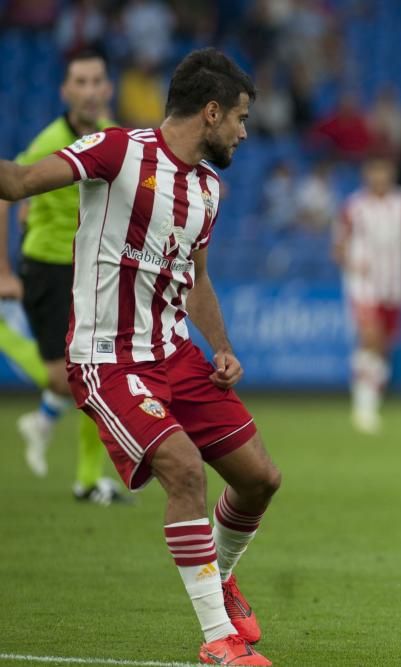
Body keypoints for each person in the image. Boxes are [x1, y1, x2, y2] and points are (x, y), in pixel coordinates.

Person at [0, 48, 277, 665]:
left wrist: (223, 347)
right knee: (184, 470)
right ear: (210, 112)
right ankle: (217, 642)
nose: (243, 130)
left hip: (176, 354)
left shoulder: (208, 188)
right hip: (107, 358)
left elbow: (196, 280)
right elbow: (17, 184)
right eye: (239, 117)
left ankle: (222, 579)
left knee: (261, 479)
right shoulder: (117, 151)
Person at [0, 49, 130, 504]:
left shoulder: (113, 136)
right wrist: (3, 270)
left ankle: (88, 479)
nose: (91, 90)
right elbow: (6, 194)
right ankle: (6, 340)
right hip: (48, 268)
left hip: (90, 269)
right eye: (81, 82)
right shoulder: (48, 141)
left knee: (98, 370)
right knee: (67, 380)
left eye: (98, 81)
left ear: (108, 88)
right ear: (66, 91)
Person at [333, 156, 401, 435]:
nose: (379, 175)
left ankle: (371, 397)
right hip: (363, 284)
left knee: (383, 345)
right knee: (369, 337)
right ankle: (363, 407)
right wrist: (351, 261)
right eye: (374, 169)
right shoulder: (354, 206)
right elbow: (338, 247)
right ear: (366, 172)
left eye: (384, 169)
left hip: (394, 284)